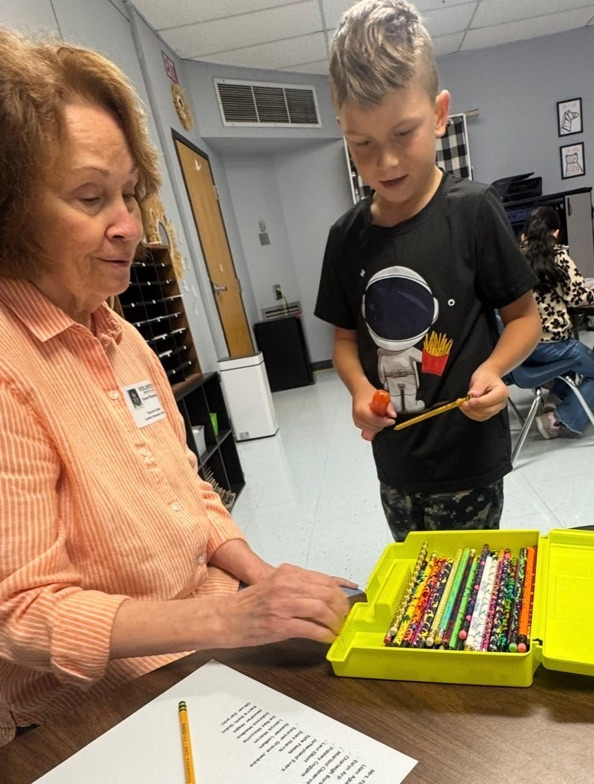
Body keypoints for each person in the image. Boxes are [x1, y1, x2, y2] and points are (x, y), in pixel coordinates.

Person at [0, 29, 353, 746]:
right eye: (91, 197)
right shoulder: (9, 372)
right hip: (99, 709)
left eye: (129, 193)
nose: (129, 225)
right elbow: (23, 614)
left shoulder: (123, 338)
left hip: (209, 641)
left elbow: (188, 493)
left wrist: (259, 576)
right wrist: (233, 619)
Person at [314, 0, 541, 542]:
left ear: (440, 115)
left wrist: (494, 370)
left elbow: (525, 319)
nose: (385, 162)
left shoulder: (473, 211)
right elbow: (345, 341)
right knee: (419, 587)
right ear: (343, 130)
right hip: (396, 465)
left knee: (473, 590)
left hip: (471, 458)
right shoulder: (345, 238)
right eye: (362, 144)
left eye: (403, 134)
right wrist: (358, 390)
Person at [518, 207, 594, 439]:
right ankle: (556, 418)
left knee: (570, 359)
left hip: (521, 347)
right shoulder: (557, 257)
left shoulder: (515, 257)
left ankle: (553, 401)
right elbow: (578, 297)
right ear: (556, 232)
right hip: (552, 344)